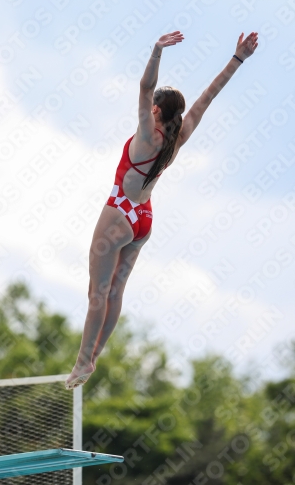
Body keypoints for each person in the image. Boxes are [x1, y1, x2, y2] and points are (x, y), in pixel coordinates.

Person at [65, 30, 258, 389]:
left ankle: (82, 362)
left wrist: (156, 51)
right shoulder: (178, 135)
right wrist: (237, 59)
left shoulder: (146, 135)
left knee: (97, 291)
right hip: (144, 219)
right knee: (116, 292)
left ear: (155, 109)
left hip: (119, 212)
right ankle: (94, 357)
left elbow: (143, 87)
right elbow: (207, 98)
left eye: (151, 104)